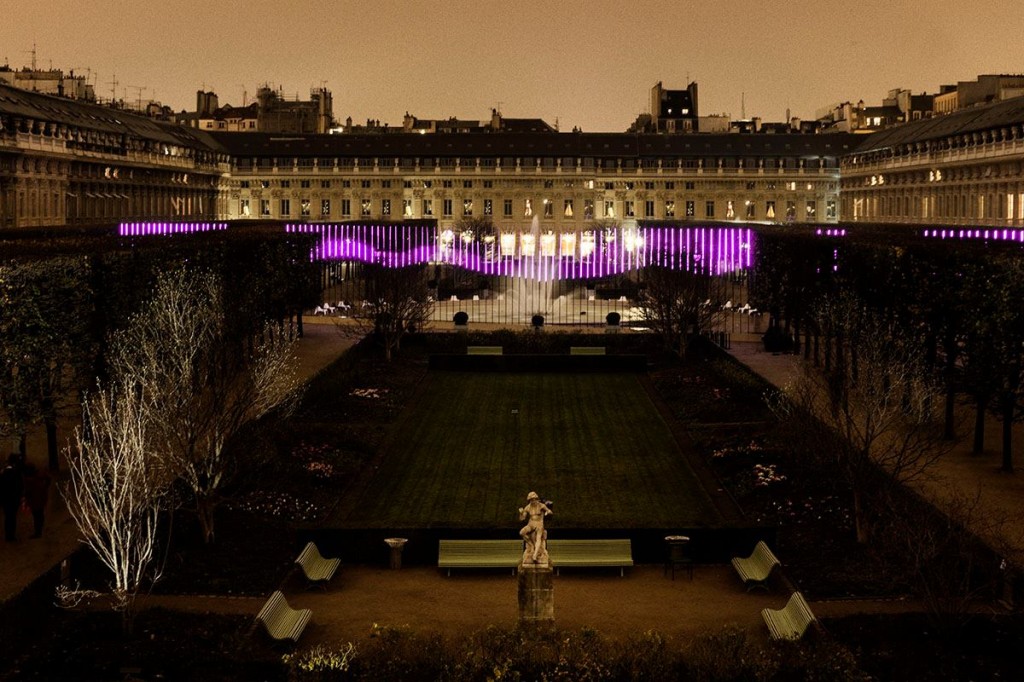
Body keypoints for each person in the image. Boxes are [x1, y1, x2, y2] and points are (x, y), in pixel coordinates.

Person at [518, 491, 553, 564]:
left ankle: (535, 555)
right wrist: (521, 513)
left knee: (538, 537)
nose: (533, 501)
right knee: (522, 533)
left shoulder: (541, 506)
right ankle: (531, 546)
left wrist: (548, 512)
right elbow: (522, 519)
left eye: (534, 499)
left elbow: (550, 512)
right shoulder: (528, 507)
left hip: (539, 524)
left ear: (536, 499)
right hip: (531, 524)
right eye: (531, 500)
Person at [22, 463, 51, 539]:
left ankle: (38, 532)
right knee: (40, 515)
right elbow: (48, 480)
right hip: (40, 498)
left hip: (35, 500)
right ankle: (39, 529)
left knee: (37, 516)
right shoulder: (39, 477)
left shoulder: (29, 481)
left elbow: (28, 492)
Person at [0, 454, 25, 542]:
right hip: (14, 498)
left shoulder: (3, 473)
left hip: (5, 498)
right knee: (12, 517)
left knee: (8, 517)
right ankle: (11, 535)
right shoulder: (16, 473)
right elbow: (20, 486)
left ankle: (8, 535)